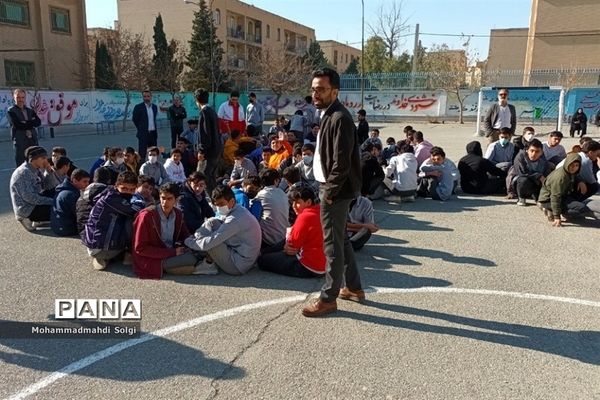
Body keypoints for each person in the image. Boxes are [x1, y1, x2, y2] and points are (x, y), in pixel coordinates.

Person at [302, 68, 363, 318]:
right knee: (341, 240)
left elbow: (342, 163)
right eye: (314, 88)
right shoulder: (328, 114)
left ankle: (328, 298)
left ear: (335, 91)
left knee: (332, 245)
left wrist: (329, 192)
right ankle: (354, 287)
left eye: (321, 89)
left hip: (335, 191)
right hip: (332, 188)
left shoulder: (339, 118)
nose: (316, 93)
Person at [184, 185, 262, 275]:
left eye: (221, 204)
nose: (218, 208)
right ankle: (199, 248)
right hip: (243, 253)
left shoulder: (235, 219)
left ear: (232, 201)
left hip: (238, 265)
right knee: (211, 222)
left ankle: (209, 264)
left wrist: (188, 242)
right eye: (216, 205)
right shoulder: (238, 209)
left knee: (212, 242)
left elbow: (213, 240)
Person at [132, 182, 199, 279]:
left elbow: (184, 235)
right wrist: (173, 252)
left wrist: (193, 243)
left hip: (169, 251)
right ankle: (169, 268)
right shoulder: (147, 216)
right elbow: (140, 248)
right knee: (191, 259)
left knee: (196, 252)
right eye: (163, 198)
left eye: (169, 199)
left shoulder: (178, 214)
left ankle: (176, 267)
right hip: (151, 257)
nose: (164, 203)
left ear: (177, 200)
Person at [257, 186, 326, 278]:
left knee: (262, 261)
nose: (293, 206)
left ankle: (261, 253)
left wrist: (288, 246)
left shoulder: (305, 216)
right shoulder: (321, 211)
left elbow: (291, 245)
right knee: (281, 245)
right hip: (325, 265)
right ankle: (263, 252)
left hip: (308, 267)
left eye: (298, 202)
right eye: (293, 202)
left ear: (308, 202)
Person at [82, 171, 142, 270]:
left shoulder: (108, 192)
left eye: (132, 189)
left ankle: (109, 257)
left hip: (94, 245)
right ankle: (125, 254)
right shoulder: (111, 198)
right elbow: (135, 209)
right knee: (132, 219)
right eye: (124, 188)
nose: (128, 192)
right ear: (116, 185)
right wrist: (138, 197)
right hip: (100, 249)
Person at [9, 146, 54, 231]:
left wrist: (48, 172)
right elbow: (30, 197)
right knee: (59, 208)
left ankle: (39, 220)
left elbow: (46, 186)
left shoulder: (35, 169)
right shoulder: (24, 173)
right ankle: (26, 218)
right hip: (27, 208)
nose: (46, 161)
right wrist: (52, 201)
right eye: (43, 158)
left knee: (58, 194)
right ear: (33, 159)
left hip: (35, 201)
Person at [538, 153, 582, 227]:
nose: (574, 168)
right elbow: (555, 197)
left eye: (577, 165)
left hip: (562, 195)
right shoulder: (560, 178)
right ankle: (551, 210)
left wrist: (581, 182)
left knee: (580, 207)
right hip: (548, 200)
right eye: (572, 165)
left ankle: (555, 210)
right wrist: (557, 217)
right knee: (579, 208)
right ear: (567, 163)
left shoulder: (567, 171)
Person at [253, 168, 289, 252]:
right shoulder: (282, 193)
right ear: (276, 181)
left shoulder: (261, 194)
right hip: (284, 237)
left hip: (269, 241)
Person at [195, 89, 222, 191]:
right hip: (216, 149)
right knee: (211, 177)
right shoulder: (212, 111)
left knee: (204, 177)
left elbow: (205, 133)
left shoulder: (204, 112)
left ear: (197, 100)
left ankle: (215, 200)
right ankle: (218, 198)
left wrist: (201, 150)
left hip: (209, 152)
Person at [510, 139, 551, 206]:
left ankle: (538, 197)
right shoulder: (520, 157)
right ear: (527, 150)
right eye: (532, 151)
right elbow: (522, 172)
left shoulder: (543, 160)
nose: (534, 154)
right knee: (523, 180)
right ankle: (521, 197)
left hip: (537, 182)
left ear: (541, 152)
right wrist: (538, 175)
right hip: (520, 181)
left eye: (537, 152)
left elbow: (546, 175)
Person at [50, 169, 91, 236]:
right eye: (85, 181)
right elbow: (80, 215)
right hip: (67, 229)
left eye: (88, 182)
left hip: (57, 226)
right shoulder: (71, 195)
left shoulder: (63, 188)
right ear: (75, 181)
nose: (87, 184)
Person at [7, 88, 41, 167]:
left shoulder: (30, 110)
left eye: (22, 97)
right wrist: (31, 122)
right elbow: (17, 125)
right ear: (14, 97)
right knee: (21, 165)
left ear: (25, 98)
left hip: (33, 140)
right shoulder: (11, 111)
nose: (20, 100)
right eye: (18, 97)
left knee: (35, 162)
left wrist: (25, 122)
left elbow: (38, 122)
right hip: (20, 141)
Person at [76, 166, 112, 233]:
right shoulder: (109, 193)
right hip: (99, 234)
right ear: (109, 180)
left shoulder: (82, 193)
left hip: (83, 232)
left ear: (93, 179)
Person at [132, 89, 159, 161]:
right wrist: (141, 128)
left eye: (148, 96)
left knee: (153, 152)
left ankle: (153, 167)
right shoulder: (138, 107)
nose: (146, 98)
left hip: (153, 133)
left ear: (151, 97)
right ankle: (141, 169)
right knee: (142, 153)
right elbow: (135, 119)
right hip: (143, 133)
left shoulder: (154, 107)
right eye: (144, 96)